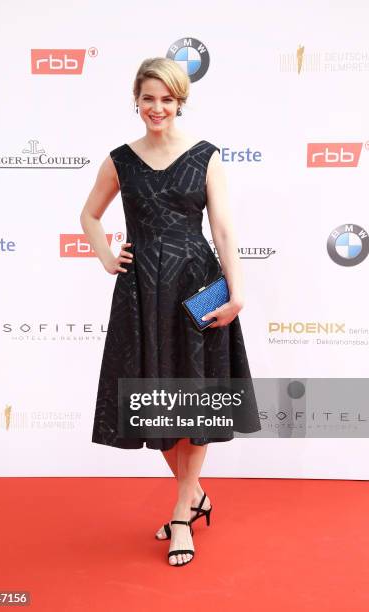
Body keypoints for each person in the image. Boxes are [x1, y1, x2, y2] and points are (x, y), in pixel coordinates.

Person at [80, 57, 261, 567]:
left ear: (181, 101)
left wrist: (237, 292)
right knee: (159, 401)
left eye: (167, 99)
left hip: (201, 285)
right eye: (148, 98)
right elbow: (89, 214)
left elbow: (223, 229)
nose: (157, 108)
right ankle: (195, 493)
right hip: (140, 290)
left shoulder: (205, 156)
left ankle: (182, 512)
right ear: (136, 101)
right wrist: (105, 255)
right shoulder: (120, 159)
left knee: (196, 398)